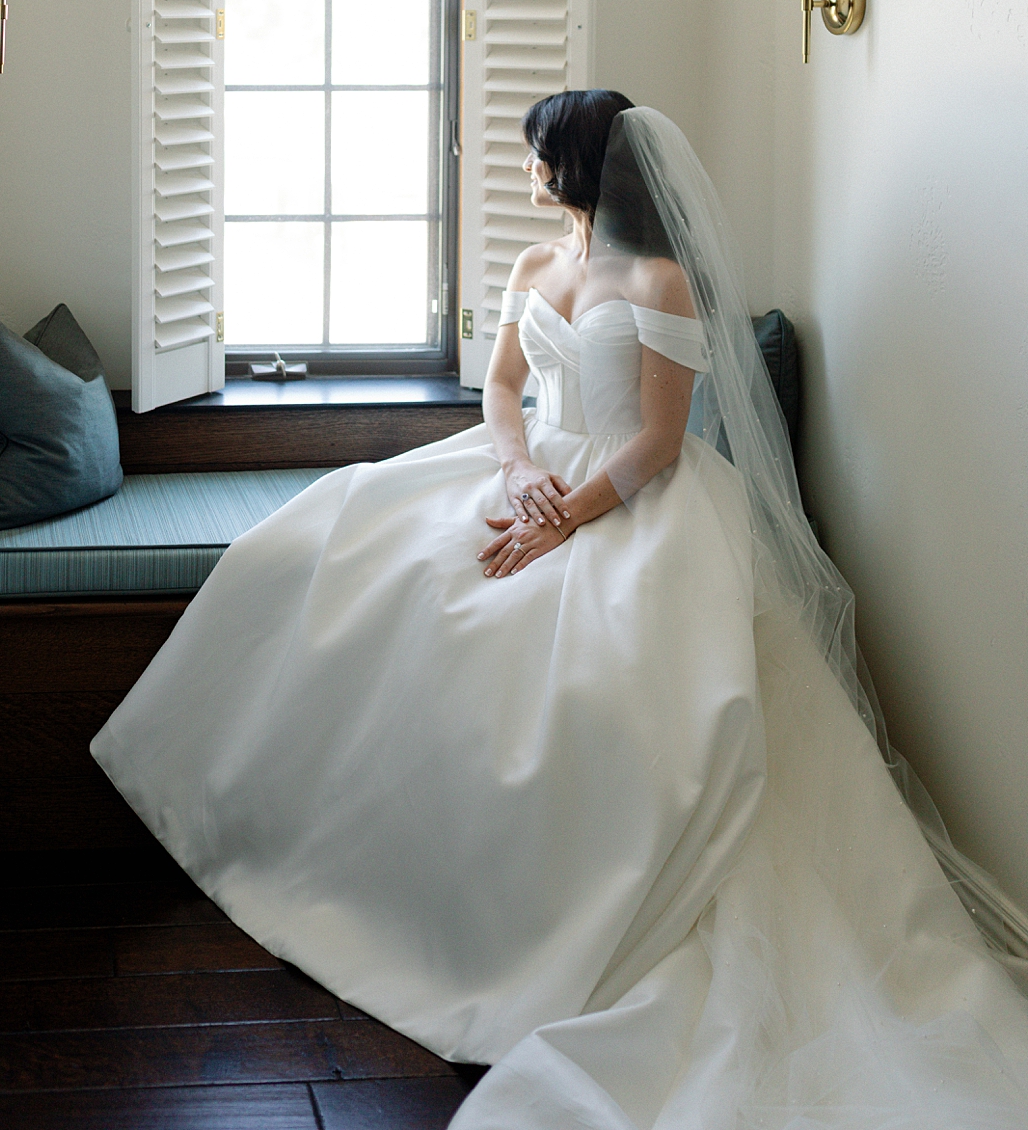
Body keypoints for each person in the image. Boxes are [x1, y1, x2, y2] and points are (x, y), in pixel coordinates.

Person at [93, 93, 1028, 1128]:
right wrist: (517, 468)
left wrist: (565, 519)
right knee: (340, 548)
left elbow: (662, 441)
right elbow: (500, 387)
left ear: (579, 165)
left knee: (582, 674)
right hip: (527, 472)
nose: (528, 168)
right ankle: (311, 852)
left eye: (541, 153)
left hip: (634, 502)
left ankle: (535, 928)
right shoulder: (535, 266)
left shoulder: (657, 278)